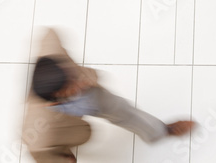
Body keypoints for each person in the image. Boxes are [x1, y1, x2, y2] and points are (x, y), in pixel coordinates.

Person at [22, 28, 195, 163]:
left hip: (94, 99)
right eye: (71, 87)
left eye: (73, 77)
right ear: (55, 98)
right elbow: (39, 150)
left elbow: (50, 35)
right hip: (65, 122)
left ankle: (160, 130)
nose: (79, 83)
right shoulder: (38, 129)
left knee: (124, 111)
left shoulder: (51, 46)